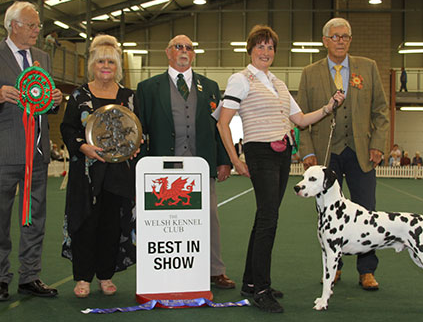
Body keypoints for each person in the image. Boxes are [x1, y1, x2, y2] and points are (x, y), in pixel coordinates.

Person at [216, 25, 345, 313]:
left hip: (283, 151)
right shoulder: (241, 79)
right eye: (260, 46)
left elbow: (299, 119)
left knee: (265, 216)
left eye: (270, 47)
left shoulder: (278, 82)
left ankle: (252, 282)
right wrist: (236, 160)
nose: (265, 51)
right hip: (259, 151)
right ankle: (261, 289)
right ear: (250, 49)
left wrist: (328, 107)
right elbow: (223, 123)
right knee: (268, 219)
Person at [136, 34, 236, 291]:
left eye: (189, 47)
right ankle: (161, 267)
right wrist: (142, 165)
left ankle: (215, 271)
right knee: (163, 219)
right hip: (161, 166)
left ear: (193, 54)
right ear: (168, 53)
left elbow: (219, 127)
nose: (183, 51)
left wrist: (224, 160)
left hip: (201, 164)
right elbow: (140, 129)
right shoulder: (148, 88)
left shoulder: (211, 86)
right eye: (178, 47)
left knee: (210, 216)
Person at [297, 17, 389, 292]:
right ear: (325, 41)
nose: (340, 41)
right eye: (334, 37)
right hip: (326, 155)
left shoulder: (368, 67)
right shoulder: (309, 73)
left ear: (350, 39)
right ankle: (333, 267)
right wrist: (307, 151)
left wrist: (378, 144)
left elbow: (381, 111)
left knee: (367, 212)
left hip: (361, 152)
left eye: (345, 36)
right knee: (328, 215)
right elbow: (300, 116)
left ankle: (367, 271)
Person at [60, 34, 137, 298]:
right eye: (101, 61)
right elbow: (68, 129)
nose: (106, 66)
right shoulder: (79, 95)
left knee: (111, 226)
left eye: (111, 62)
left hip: (119, 175)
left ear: (118, 66)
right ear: (92, 64)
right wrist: (83, 147)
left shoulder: (129, 97)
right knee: (85, 224)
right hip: (87, 173)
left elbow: (137, 130)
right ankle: (82, 277)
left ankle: (105, 275)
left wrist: (136, 146)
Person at [0, 1, 63, 301]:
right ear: (14, 25)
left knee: (35, 218)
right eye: (32, 25)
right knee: (1, 218)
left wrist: (55, 99)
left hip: (38, 154)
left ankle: (30, 277)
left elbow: (45, 106)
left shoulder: (42, 58)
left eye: (38, 25)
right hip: (5, 152)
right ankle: (0, 278)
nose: (39, 30)